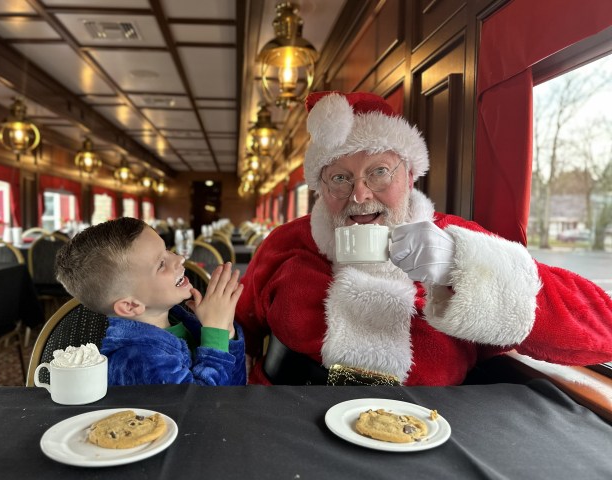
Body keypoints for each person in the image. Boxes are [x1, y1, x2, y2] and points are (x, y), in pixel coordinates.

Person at [236, 90, 612, 386]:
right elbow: (239, 327)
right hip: (288, 419)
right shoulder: (286, 243)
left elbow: (602, 326)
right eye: (339, 177)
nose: (360, 195)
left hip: (423, 433)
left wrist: (458, 267)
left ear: (410, 174)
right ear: (320, 186)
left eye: (379, 172)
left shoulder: (454, 239)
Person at [56, 217, 246, 386]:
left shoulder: (183, 321)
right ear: (131, 306)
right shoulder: (136, 359)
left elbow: (236, 388)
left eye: (167, 250)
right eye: (161, 264)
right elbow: (199, 409)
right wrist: (215, 334)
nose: (179, 258)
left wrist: (225, 329)